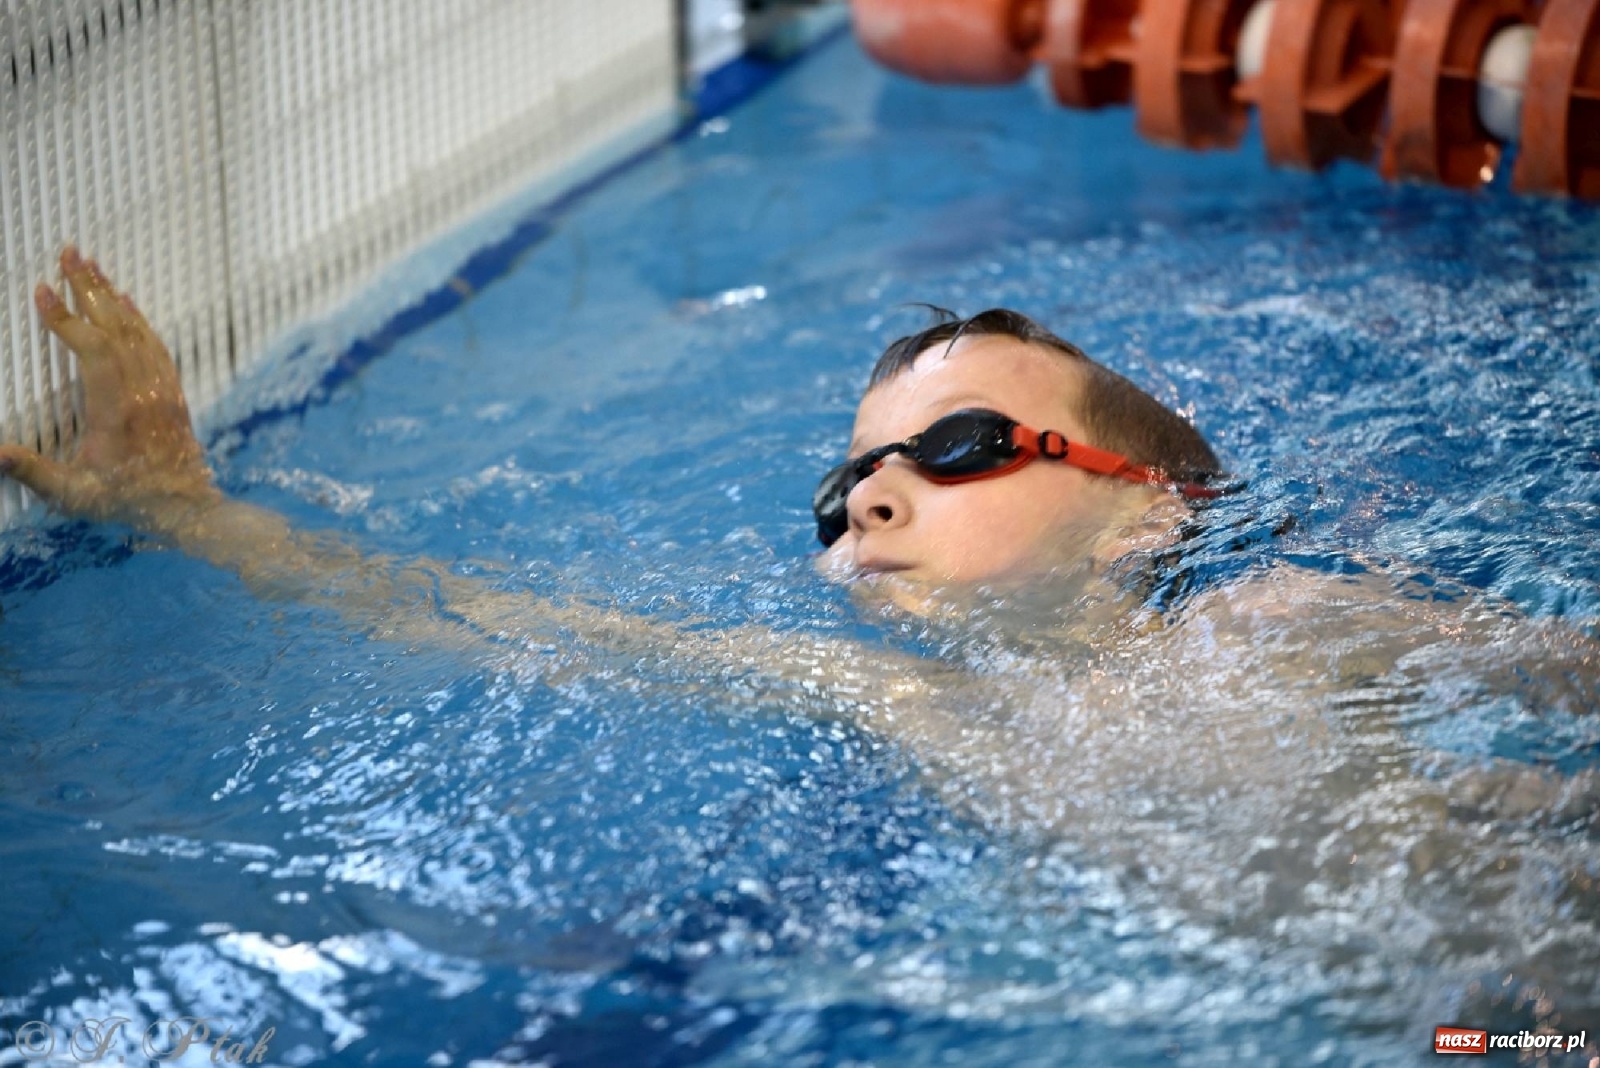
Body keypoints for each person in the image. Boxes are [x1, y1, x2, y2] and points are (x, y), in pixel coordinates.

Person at [5, 247, 1599, 1041]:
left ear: (1144, 514)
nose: (873, 504)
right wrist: (194, 518)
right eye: (846, 489)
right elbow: (498, 621)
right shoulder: (897, 705)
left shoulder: (1280, 620)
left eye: (960, 448)